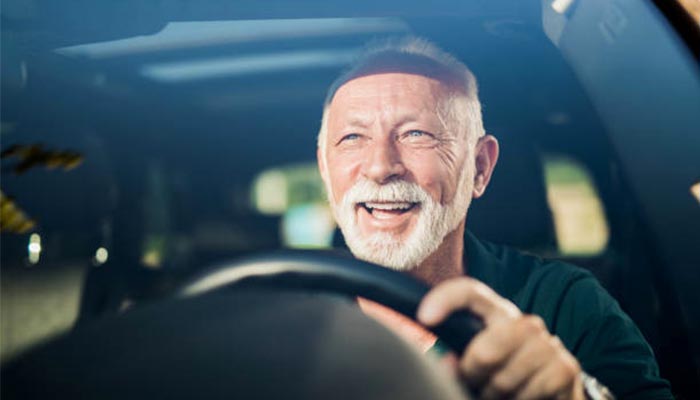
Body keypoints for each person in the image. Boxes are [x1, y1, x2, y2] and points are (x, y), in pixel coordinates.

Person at [316, 37, 673, 399]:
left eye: (415, 134)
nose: (380, 167)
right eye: (352, 137)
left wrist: (577, 394)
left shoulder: (563, 305)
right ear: (325, 169)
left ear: (480, 167)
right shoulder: (275, 313)